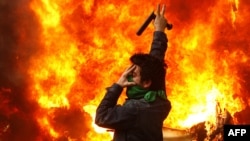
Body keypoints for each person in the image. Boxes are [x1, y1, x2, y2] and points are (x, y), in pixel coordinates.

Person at [95, 4, 171, 141]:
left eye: (133, 75)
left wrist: (117, 86)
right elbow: (156, 60)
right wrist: (159, 31)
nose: (128, 78)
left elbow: (101, 117)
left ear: (146, 83)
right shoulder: (160, 100)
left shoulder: (134, 109)